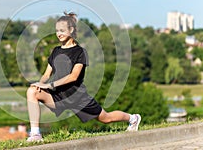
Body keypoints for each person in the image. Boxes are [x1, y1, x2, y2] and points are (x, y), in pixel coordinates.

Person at [26, 12, 141, 142]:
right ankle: (35, 134)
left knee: (106, 118)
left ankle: (133, 118)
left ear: (71, 30)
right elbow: (47, 74)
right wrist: (39, 84)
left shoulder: (80, 52)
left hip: (77, 97)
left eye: (62, 30)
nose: (59, 33)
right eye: (57, 30)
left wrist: (49, 85)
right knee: (32, 92)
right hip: (57, 95)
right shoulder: (55, 51)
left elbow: (73, 77)